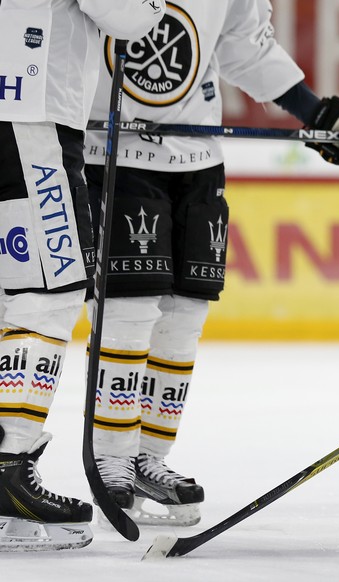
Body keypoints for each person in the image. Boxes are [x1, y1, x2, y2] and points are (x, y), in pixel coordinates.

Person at [83, 0, 339, 528]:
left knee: (184, 317)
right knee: (128, 310)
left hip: (198, 153)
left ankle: (148, 460)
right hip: (111, 144)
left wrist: (316, 114)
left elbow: (244, 44)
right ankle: (111, 455)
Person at [0, 0, 166, 552]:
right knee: (50, 290)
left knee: (12, 293)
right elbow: (127, 13)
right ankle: (8, 465)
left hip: (17, 105)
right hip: (30, 111)